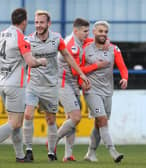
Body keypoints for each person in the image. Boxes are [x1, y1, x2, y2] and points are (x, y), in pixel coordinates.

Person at [22, 11, 90, 162]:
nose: (39, 25)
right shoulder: (28, 40)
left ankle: (51, 153)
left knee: (51, 120)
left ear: (48, 23)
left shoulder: (57, 39)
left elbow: (67, 56)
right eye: (37, 22)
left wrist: (81, 74)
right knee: (28, 114)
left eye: (42, 22)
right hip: (33, 84)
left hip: (51, 86)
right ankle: (28, 150)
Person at [57, 18, 109, 162]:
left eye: (88, 31)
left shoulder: (79, 41)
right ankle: (53, 140)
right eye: (85, 31)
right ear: (76, 31)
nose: (87, 34)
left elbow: (92, 41)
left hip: (72, 84)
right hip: (64, 83)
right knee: (76, 117)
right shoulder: (72, 45)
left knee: (71, 119)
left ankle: (68, 154)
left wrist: (107, 41)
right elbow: (75, 71)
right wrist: (95, 67)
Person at [0, 8, 47, 162]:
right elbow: (30, 62)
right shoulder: (22, 38)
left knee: (16, 123)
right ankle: (20, 155)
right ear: (25, 21)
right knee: (15, 122)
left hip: (3, 82)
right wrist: (41, 61)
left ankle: (20, 156)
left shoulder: (2, 34)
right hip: (15, 85)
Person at [82, 21, 128, 163]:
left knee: (99, 123)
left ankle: (90, 153)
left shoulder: (113, 49)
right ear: (94, 32)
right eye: (100, 31)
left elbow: (123, 67)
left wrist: (124, 78)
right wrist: (96, 66)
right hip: (91, 90)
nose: (103, 34)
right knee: (102, 120)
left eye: (105, 32)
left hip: (107, 91)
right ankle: (113, 151)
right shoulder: (85, 48)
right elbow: (78, 69)